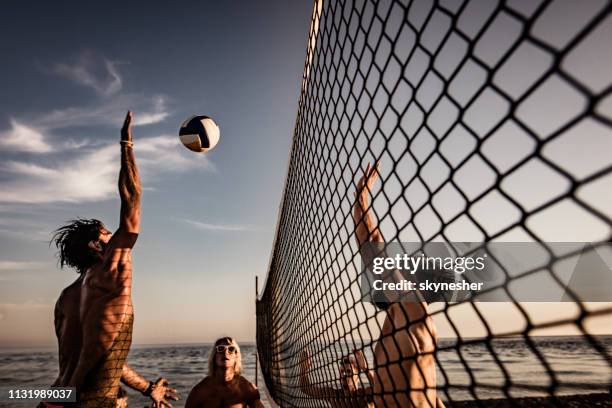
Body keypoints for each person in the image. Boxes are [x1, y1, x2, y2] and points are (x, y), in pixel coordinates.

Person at [48, 112, 178, 407]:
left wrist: (148, 389)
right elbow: (131, 199)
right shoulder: (113, 267)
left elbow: (98, 356)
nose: (116, 237)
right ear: (97, 244)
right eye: (109, 233)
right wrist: (126, 144)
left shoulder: (65, 298)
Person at [352, 161, 445, 408]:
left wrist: (361, 198)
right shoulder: (401, 316)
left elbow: (372, 243)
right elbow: (431, 395)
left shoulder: (411, 306)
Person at [186, 337, 263, 408]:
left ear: (236, 356)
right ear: (215, 356)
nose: (226, 352)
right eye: (221, 348)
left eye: (231, 349)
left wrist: (255, 398)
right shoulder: (200, 390)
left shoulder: (247, 388)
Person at [298, 349, 374, 407]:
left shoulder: (365, 395)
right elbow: (305, 389)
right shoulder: (334, 396)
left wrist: (365, 369)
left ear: (357, 376)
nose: (344, 374)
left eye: (348, 371)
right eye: (342, 371)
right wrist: (303, 370)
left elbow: (381, 387)